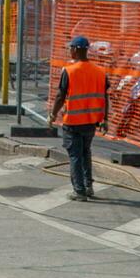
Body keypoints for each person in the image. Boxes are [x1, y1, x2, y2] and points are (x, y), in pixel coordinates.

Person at [49, 35, 108, 202]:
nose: (69, 51)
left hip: (73, 122)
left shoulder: (69, 71)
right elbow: (105, 97)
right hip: (91, 121)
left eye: (70, 48)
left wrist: (52, 115)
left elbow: (60, 96)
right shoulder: (99, 72)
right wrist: (106, 119)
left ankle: (79, 191)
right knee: (85, 153)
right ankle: (88, 186)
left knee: (75, 156)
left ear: (75, 49)